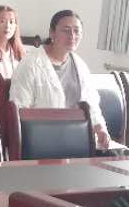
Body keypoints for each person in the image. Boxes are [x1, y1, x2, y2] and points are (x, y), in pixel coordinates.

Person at [7, 10, 111, 150]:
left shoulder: (80, 65)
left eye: (77, 31)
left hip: (77, 138)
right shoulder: (30, 64)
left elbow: (91, 105)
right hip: (41, 140)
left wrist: (100, 128)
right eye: (66, 30)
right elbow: (19, 110)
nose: (72, 36)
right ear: (52, 33)